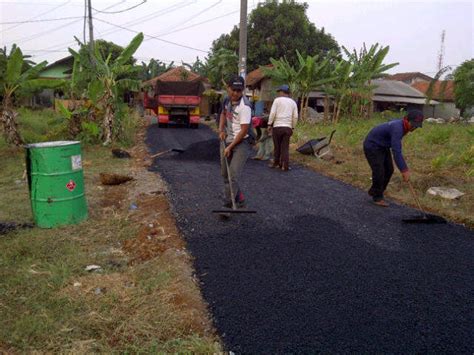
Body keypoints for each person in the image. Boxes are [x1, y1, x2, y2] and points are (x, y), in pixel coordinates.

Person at [363, 109, 424, 207]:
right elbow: (396, 151)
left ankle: (375, 191)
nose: (414, 128)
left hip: (383, 146)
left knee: (389, 169)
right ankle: (377, 197)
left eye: (417, 126)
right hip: (372, 146)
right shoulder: (398, 128)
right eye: (413, 124)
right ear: (406, 120)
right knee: (379, 171)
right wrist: (404, 170)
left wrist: (403, 169)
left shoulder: (403, 126)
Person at [218, 75, 252, 208]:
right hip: (227, 139)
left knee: (233, 175)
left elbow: (244, 131)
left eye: (239, 91)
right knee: (225, 174)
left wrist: (230, 147)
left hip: (242, 142)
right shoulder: (226, 100)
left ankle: (227, 204)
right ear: (228, 88)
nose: (236, 93)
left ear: (242, 90)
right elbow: (222, 114)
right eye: (233, 90)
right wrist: (221, 130)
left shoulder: (245, 107)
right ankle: (239, 197)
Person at [268, 84, 298, 171]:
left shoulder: (277, 100)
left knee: (277, 146)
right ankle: (285, 165)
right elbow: (295, 116)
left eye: (279, 92)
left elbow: (273, 113)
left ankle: (276, 163)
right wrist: (292, 127)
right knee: (285, 147)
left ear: (281, 92)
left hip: (277, 127)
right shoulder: (293, 102)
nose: (278, 93)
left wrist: (269, 124)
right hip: (287, 127)